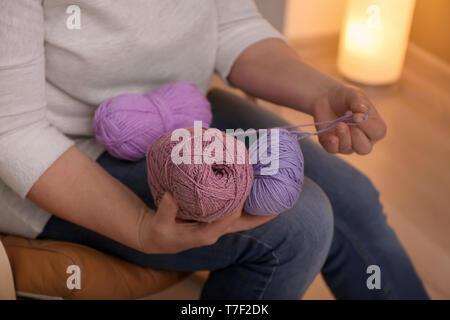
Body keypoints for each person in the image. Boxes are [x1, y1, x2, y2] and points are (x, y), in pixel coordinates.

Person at [0, 0, 428, 299]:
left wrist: (320, 92)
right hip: (59, 152)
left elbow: (233, 25)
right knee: (301, 224)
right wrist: (137, 226)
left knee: (353, 196)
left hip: (184, 112)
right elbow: (14, 129)